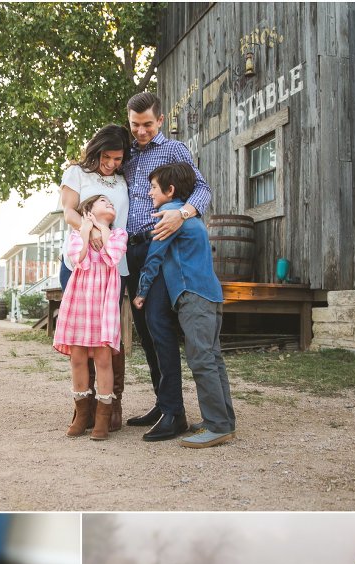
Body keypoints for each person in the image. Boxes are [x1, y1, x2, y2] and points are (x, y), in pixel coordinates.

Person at [122, 92, 212, 441]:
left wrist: (181, 213)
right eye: (135, 125)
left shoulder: (174, 150)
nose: (141, 131)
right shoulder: (127, 155)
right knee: (144, 331)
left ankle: (175, 413)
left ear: (159, 120)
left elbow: (202, 190)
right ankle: (163, 402)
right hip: (131, 252)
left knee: (159, 322)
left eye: (147, 124)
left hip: (159, 246)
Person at [133, 162, 235, 446]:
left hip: (193, 296)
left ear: (170, 190)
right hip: (211, 294)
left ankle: (217, 427)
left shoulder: (169, 217)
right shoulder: (191, 217)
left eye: (153, 188)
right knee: (213, 358)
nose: (150, 193)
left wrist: (141, 292)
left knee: (201, 359)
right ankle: (223, 420)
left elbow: (154, 257)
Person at [59, 124, 131, 431]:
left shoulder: (122, 180)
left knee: (106, 336)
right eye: (108, 156)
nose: (113, 163)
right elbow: (68, 211)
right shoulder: (76, 173)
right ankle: (83, 409)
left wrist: (108, 239)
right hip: (81, 260)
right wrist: (91, 235)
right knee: (80, 334)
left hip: (114, 265)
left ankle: (110, 405)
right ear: (97, 149)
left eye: (118, 158)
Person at [53, 195, 127, 441]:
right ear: (88, 209)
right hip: (80, 301)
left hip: (103, 303)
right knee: (78, 357)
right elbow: (77, 259)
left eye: (112, 203)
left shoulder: (118, 235)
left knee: (104, 358)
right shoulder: (76, 234)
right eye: (104, 201)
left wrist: (102, 228)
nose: (110, 204)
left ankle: (103, 417)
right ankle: (82, 413)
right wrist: (85, 230)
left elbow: (113, 257)